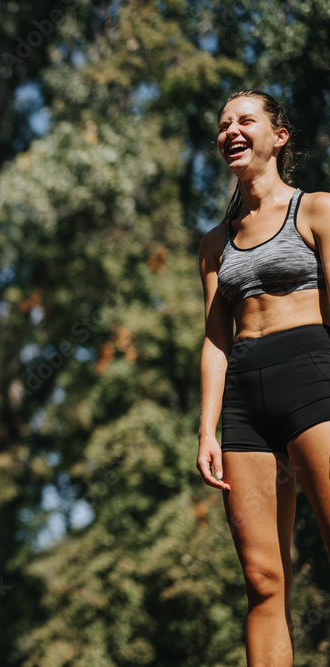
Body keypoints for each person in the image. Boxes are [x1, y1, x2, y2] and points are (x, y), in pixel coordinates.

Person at [197, 90, 330, 666]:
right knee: (262, 582)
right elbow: (214, 340)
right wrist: (207, 431)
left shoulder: (318, 209)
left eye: (245, 120)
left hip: (313, 382)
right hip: (244, 406)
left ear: (279, 137)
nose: (231, 130)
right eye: (224, 123)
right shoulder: (214, 244)